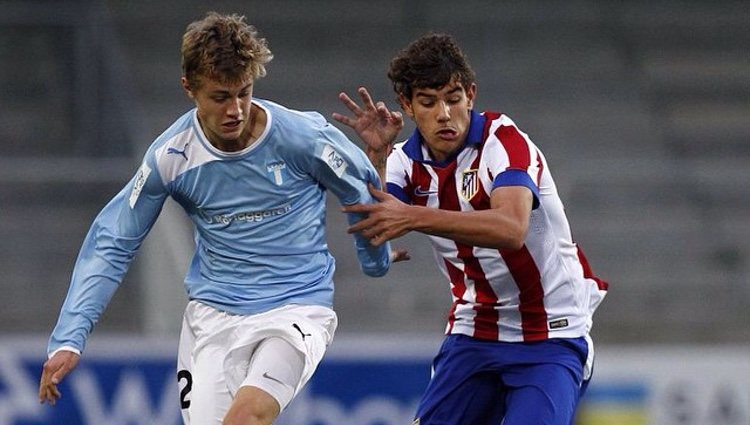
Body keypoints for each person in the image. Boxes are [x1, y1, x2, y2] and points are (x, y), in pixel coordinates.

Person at [38, 12, 403, 425]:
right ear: (189, 89)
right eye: (220, 96)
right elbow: (113, 240)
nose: (236, 110)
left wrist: (377, 259)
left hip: (296, 307)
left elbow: (361, 189)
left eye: (244, 93)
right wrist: (70, 336)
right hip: (212, 320)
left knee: (246, 418)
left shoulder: (301, 137)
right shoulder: (171, 157)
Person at [333, 33, 608, 425]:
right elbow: (377, 226)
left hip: (551, 330)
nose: (444, 113)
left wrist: (412, 215)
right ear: (407, 106)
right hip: (475, 329)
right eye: (429, 102)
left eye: (453, 98)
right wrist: (375, 158)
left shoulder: (505, 142)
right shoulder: (401, 161)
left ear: (471, 95)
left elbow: (512, 228)